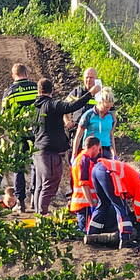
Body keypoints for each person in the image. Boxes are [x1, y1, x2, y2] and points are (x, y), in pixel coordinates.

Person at [31, 77, 100, 215]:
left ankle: (38, 213)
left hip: (37, 149)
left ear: (39, 91)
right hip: (49, 151)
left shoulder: (34, 107)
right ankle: (42, 215)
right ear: (52, 90)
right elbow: (71, 107)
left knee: (40, 184)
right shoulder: (51, 104)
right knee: (50, 182)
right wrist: (91, 93)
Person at [87, 157, 140, 248]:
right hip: (109, 172)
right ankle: (125, 239)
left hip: (97, 169)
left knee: (103, 204)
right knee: (120, 207)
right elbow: (137, 207)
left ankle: (91, 233)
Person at [1, 63, 38, 210]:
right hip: (35, 131)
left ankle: (21, 202)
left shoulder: (9, 92)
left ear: (13, 75)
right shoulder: (36, 88)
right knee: (36, 165)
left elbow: (4, 114)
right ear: (26, 73)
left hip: (18, 133)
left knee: (19, 167)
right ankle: (35, 198)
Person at [62, 67, 99, 199]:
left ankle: (92, 191)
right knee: (75, 161)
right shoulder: (77, 92)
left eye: (91, 77)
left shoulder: (100, 93)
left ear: (96, 79)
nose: (89, 80)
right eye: (87, 77)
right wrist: (67, 121)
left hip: (94, 135)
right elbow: (64, 107)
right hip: (78, 132)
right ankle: (74, 190)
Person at [69, 136, 103, 235]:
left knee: (85, 229)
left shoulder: (80, 158)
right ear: (94, 147)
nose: (98, 152)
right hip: (84, 203)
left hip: (82, 201)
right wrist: (91, 202)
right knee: (85, 231)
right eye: (98, 149)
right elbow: (83, 183)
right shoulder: (84, 160)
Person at [73, 87, 117, 160]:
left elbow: (111, 135)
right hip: (90, 151)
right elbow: (78, 136)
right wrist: (74, 155)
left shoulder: (110, 116)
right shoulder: (89, 115)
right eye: (106, 107)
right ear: (100, 102)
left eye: (110, 107)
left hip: (106, 151)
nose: (108, 109)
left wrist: (114, 153)